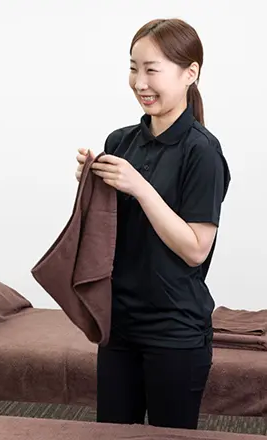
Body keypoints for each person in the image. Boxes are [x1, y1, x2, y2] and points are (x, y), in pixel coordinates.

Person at [75, 18, 231, 429]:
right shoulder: (120, 141)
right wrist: (90, 186)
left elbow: (196, 249)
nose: (140, 82)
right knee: (112, 434)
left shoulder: (203, 152)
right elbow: (108, 232)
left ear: (190, 73)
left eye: (151, 70)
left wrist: (140, 187)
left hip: (175, 330)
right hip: (119, 324)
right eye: (133, 68)